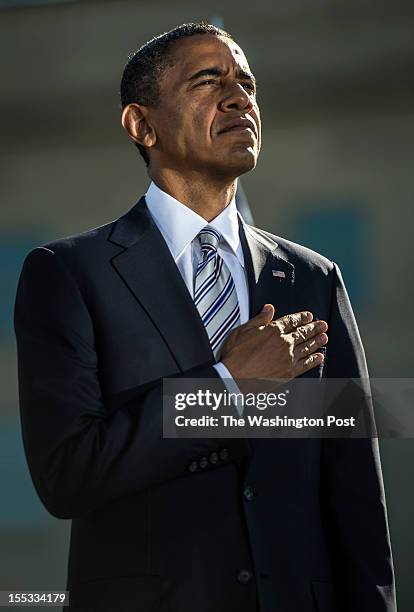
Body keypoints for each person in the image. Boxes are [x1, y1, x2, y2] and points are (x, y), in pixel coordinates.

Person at [14, 22, 396, 612]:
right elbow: (68, 474)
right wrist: (228, 389)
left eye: (246, 82)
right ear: (142, 124)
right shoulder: (68, 274)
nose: (239, 96)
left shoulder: (315, 280)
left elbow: (354, 497)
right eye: (207, 81)